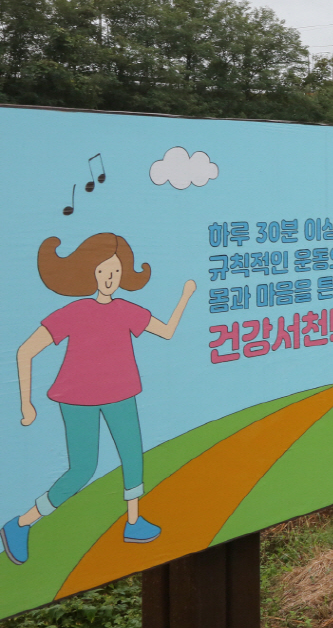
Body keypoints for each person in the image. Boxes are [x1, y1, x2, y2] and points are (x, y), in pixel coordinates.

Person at [3, 233, 196, 566]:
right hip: (77, 399)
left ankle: (134, 522)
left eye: (116, 272)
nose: (110, 279)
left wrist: (185, 296)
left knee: (133, 454)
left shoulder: (125, 310)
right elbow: (25, 351)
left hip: (121, 393)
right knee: (82, 469)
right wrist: (26, 402)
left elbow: (166, 331)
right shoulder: (74, 312)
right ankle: (20, 524)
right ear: (90, 271)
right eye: (104, 271)